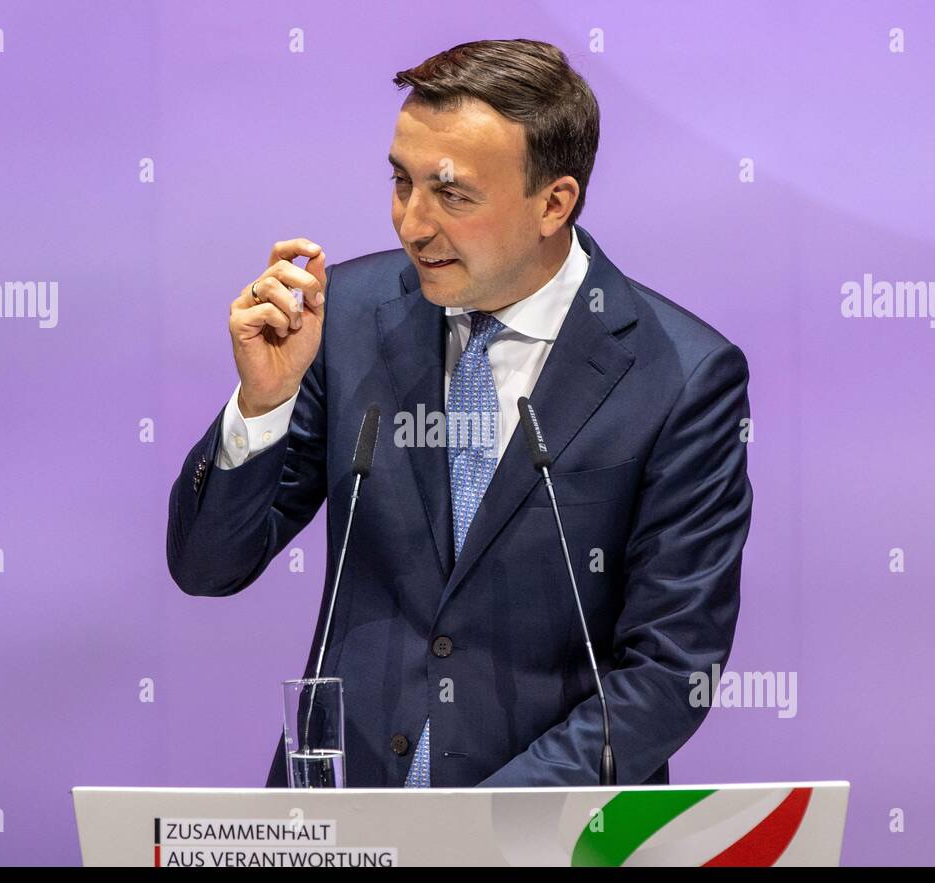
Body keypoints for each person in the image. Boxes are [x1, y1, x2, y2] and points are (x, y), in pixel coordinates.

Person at [167, 38, 754, 788]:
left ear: (554, 203)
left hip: (550, 835)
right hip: (348, 819)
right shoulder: (345, 319)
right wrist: (264, 402)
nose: (411, 224)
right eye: (401, 182)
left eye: (452, 195)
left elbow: (671, 671)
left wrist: (472, 832)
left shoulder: (681, 375)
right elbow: (207, 568)